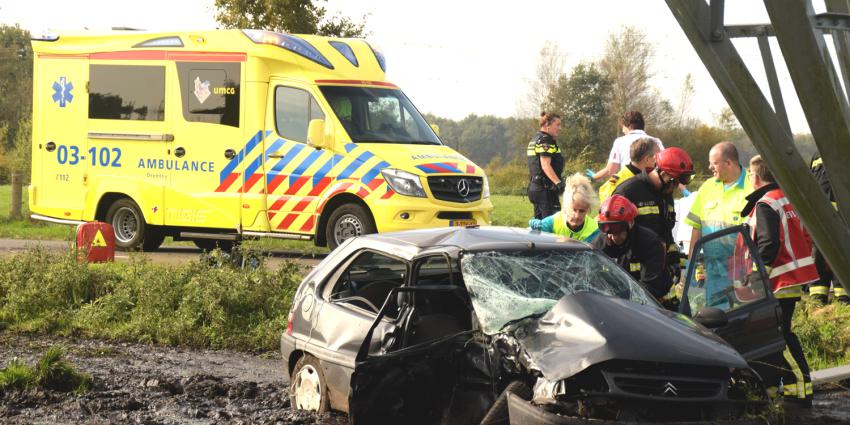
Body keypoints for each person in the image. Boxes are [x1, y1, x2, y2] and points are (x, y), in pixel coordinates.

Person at [741, 155, 815, 406]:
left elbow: (768, 244)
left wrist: (756, 277)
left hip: (777, 281)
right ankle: (780, 388)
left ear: (757, 177)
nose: (749, 179)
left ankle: (801, 387)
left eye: (750, 174)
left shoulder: (765, 203)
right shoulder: (786, 198)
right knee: (778, 335)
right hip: (792, 278)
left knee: (779, 337)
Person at [614, 147, 694, 284]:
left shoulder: (666, 194)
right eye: (674, 181)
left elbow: (666, 231)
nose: (675, 187)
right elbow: (614, 237)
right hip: (633, 277)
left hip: (660, 271)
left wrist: (674, 258)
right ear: (663, 173)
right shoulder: (628, 192)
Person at [685, 142, 752, 299]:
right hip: (713, 272)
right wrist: (691, 264)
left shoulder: (751, 186)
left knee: (744, 315)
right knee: (715, 318)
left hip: (741, 272)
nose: (710, 167)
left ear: (728, 163)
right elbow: (696, 227)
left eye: (714, 163)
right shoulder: (707, 187)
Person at [592, 195, 672, 301]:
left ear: (631, 223)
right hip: (614, 304)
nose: (613, 235)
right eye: (606, 227)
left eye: (618, 228)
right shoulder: (600, 244)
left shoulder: (650, 244)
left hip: (656, 305)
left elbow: (650, 287)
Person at [808, 155, 848, 305]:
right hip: (820, 219)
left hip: (843, 218)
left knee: (843, 255)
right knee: (818, 256)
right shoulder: (816, 156)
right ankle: (818, 296)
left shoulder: (840, 149)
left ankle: (843, 297)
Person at [587, 111, 664, 183]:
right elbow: (664, 167)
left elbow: (610, 171)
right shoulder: (657, 141)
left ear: (627, 125)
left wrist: (593, 178)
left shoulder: (619, 142)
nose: (623, 131)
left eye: (622, 127)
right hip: (653, 187)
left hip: (630, 186)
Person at [529, 173, 599, 242]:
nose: (577, 216)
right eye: (573, 210)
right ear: (565, 207)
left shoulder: (594, 230)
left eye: (582, 211)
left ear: (588, 209)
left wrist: (571, 242)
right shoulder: (554, 221)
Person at [598, 137, 660, 203]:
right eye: (658, 156)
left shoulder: (652, 179)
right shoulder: (616, 184)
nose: (661, 160)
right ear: (647, 159)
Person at [527, 112, 565, 219]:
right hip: (545, 190)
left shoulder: (535, 139)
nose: (560, 128)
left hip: (535, 187)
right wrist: (558, 183)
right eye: (557, 125)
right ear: (547, 124)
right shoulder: (546, 140)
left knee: (539, 228)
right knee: (551, 226)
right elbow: (545, 165)